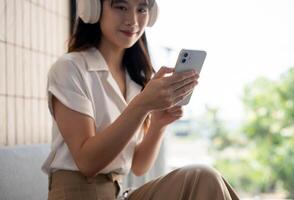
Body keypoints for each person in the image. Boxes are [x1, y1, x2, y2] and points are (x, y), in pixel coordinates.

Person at [42, 0, 240, 199]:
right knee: (202, 177)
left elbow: (138, 166)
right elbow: (87, 162)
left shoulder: (134, 81)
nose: (133, 20)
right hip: (76, 194)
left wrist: (158, 124)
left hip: (118, 194)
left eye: (142, 9)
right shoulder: (70, 68)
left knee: (206, 178)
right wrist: (143, 104)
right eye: (121, 7)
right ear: (94, 9)